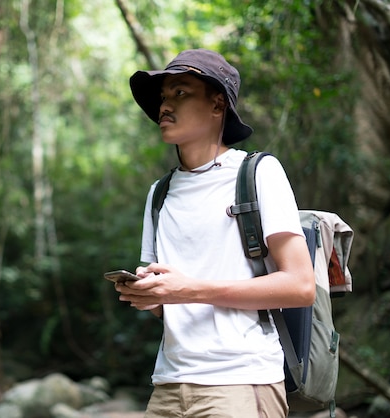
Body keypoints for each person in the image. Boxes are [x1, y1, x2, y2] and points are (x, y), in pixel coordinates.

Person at [114, 49, 316, 417]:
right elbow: (170, 303)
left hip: (241, 382)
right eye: (162, 97)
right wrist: (150, 295)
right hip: (169, 385)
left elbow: (301, 287)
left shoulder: (257, 173)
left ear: (217, 105)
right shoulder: (160, 193)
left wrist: (189, 289)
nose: (164, 106)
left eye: (180, 92)